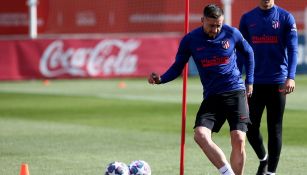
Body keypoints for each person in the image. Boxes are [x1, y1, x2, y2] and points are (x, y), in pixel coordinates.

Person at [148, 4, 254, 175]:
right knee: (200, 135)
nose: (216, 29)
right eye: (211, 25)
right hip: (212, 96)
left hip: (235, 91)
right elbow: (177, 67)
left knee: (239, 138)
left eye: (219, 25)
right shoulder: (190, 40)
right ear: (202, 20)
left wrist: (250, 80)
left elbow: (249, 52)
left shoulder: (232, 33)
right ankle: (228, 173)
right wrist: (160, 79)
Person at [237, 0, 298, 174]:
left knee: (275, 127)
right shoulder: (247, 18)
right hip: (253, 82)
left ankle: (271, 172)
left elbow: (293, 49)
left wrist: (291, 77)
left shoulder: (286, 17)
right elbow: (241, 51)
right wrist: (237, 75)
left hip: (277, 81)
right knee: (249, 126)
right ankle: (263, 159)